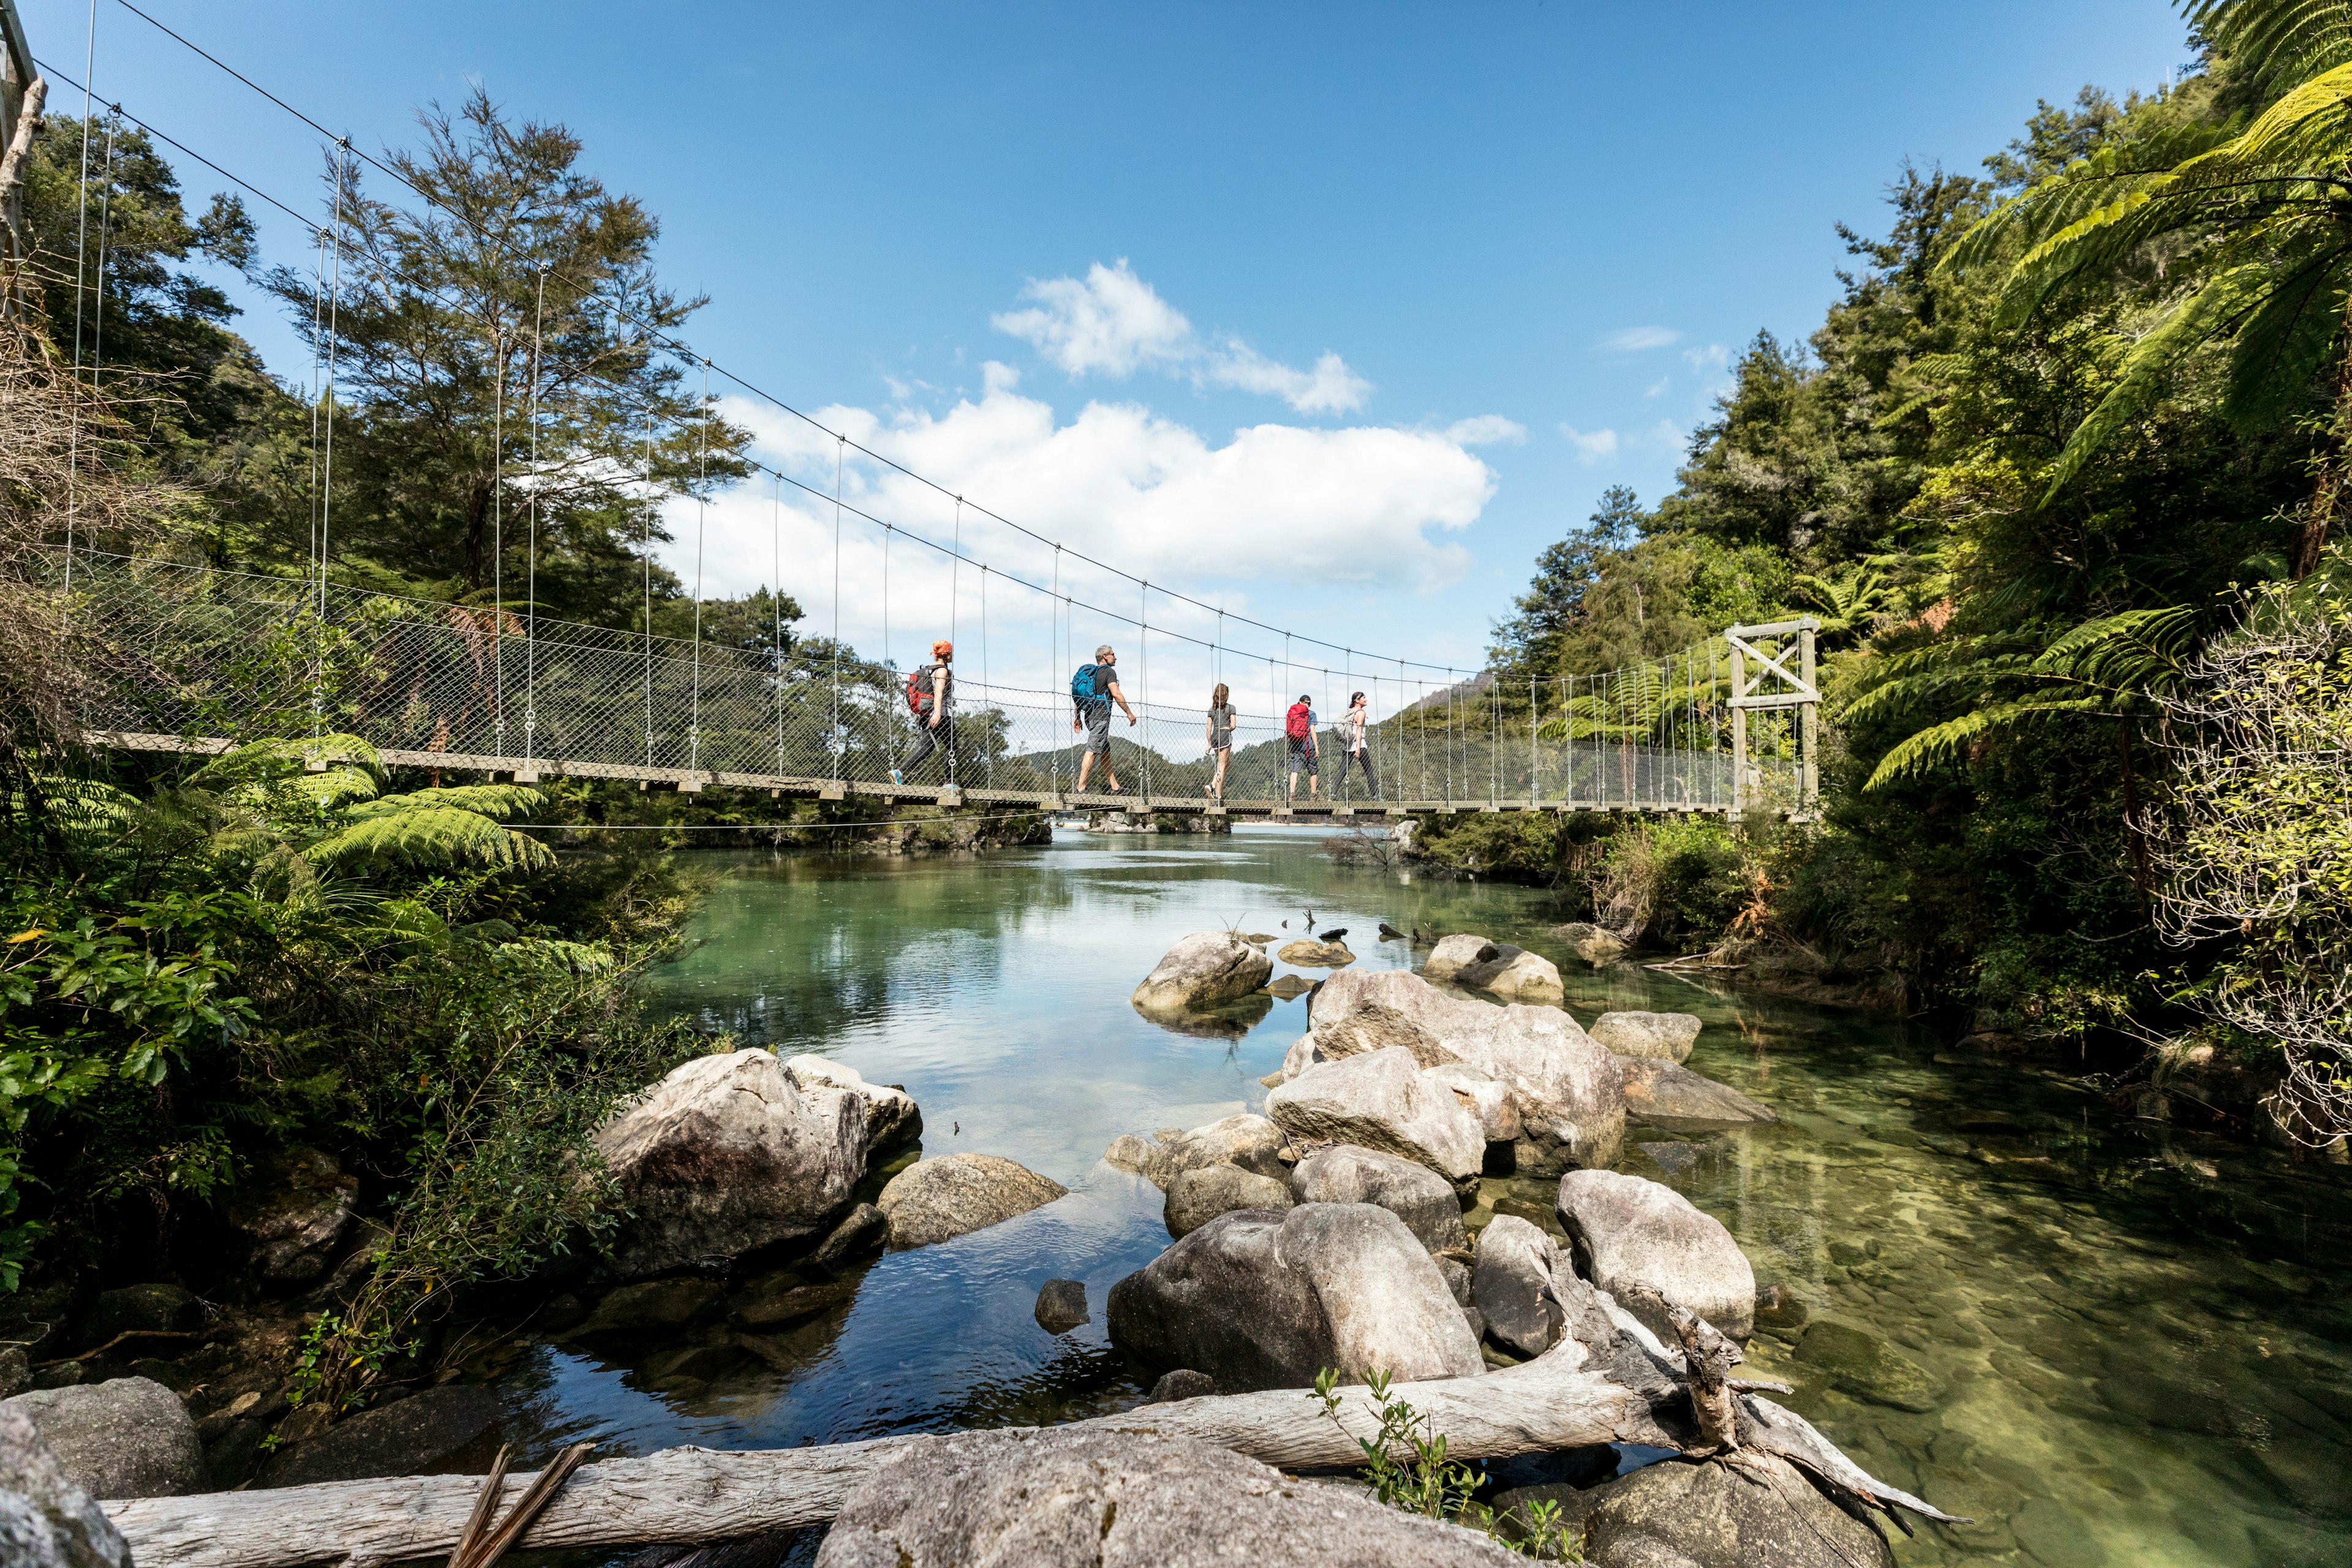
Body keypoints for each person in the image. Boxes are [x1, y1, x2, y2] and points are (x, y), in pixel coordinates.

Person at [1071, 644, 1137, 794]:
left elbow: (1078, 698)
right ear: (1105, 656)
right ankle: (1080, 788)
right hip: (1101, 716)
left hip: (1089, 715)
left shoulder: (1091, 675)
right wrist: (1129, 713)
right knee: (1093, 750)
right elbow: (1116, 694)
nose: (1115, 657)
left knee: (1105, 750)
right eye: (1113, 654)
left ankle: (1115, 787)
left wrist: (1078, 717)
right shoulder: (1109, 672)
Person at [889, 640, 955, 786]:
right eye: (951, 652)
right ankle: (949, 783)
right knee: (952, 747)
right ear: (946, 654)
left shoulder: (929, 669)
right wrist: (937, 714)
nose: (952, 655)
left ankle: (899, 772)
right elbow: (938, 692)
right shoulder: (942, 671)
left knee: (927, 748)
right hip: (941, 716)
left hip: (926, 716)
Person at [1333, 690, 1380, 799]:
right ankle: (1374, 795)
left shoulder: (1349, 712)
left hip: (1347, 744)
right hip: (1359, 744)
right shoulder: (1361, 712)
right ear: (1357, 701)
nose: (1366, 699)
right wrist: (1358, 748)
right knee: (1368, 769)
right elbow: (1359, 730)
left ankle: (1333, 793)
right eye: (1364, 698)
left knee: (1343, 769)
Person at [1204, 682, 1236, 800]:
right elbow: (1233, 725)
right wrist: (1227, 728)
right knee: (1222, 766)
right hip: (1224, 736)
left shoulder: (1211, 710)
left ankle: (1212, 785)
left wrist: (1209, 744)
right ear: (1226, 694)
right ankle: (1218, 795)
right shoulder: (1231, 708)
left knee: (1227, 765)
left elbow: (1208, 728)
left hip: (1215, 737)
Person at [1284, 692, 1319, 801]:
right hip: (1308, 746)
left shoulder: (1293, 712)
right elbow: (1312, 731)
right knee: (1313, 771)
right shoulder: (1312, 714)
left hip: (1295, 745)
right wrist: (1317, 747)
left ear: (1299, 702)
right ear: (1310, 704)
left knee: (1294, 770)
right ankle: (1313, 795)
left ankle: (1292, 794)